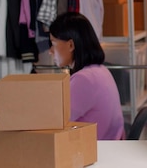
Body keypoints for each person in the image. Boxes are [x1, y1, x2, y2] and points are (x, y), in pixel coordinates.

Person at [49, 12, 125, 140]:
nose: (51, 51)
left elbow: (55, 122)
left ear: (71, 45)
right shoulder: (100, 71)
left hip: (96, 151)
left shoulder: (84, 80)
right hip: (108, 146)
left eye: (54, 43)